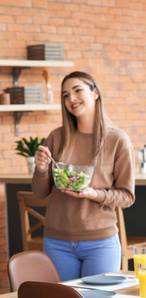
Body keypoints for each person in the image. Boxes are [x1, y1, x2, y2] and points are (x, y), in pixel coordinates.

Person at [32, 71, 135, 281]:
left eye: (77, 90)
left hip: (100, 242)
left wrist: (93, 194)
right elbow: (40, 193)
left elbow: (126, 196)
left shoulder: (118, 140)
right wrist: (41, 169)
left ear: (95, 92)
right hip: (56, 241)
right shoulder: (57, 137)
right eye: (65, 95)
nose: (71, 99)